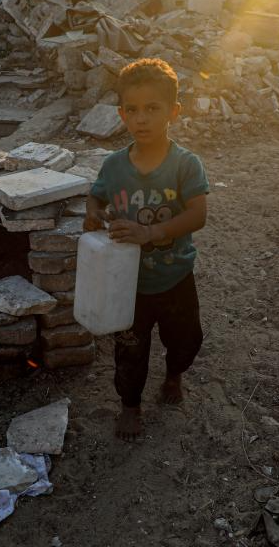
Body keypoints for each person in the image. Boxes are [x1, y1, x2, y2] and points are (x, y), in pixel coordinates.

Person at [84, 58, 210, 442]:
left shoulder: (186, 165)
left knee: (185, 340)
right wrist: (94, 215)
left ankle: (173, 375)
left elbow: (198, 215)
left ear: (174, 111)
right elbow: (95, 197)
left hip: (175, 277)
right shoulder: (113, 166)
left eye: (153, 108)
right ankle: (130, 406)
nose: (142, 119)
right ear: (121, 114)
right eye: (133, 110)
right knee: (129, 351)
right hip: (129, 284)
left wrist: (150, 232)